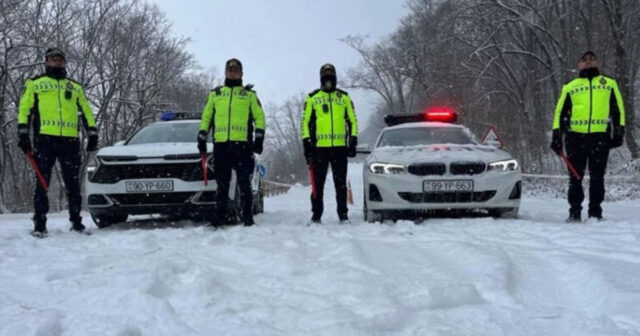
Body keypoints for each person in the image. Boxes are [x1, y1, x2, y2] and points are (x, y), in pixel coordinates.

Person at [17, 47, 99, 237]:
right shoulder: (36, 83)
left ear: (65, 62)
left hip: (70, 140)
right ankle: (39, 225)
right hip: (44, 139)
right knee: (42, 183)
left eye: (60, 59)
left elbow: (86, 111)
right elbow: (25, 109)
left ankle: (77, 223)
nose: (57, 61)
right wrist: (23, 133)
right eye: (53, 59)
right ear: (46, 62)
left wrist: (92, 132)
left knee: (73, 184)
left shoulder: (75, 86)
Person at [551, 51, 625, 222]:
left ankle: (595, 213)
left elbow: (618, 110)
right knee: (576, 176)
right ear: (579, 64)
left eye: (591, 59)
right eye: (584, 60)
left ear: (597, 62)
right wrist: (557, 137)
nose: (588, 62)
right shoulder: (570, 85)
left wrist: (619, 133)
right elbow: (559, 113)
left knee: (597, 177)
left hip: (600, 137)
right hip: (575, 138)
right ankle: (574, 212)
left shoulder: (609, 83)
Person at [198, 58, 265, 227]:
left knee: (244, 183)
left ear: (241, 73)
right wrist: (202, 135)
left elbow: (259, 117)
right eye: (230, 70)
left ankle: (248, 218)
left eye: (236, 70)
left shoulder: (249, 95)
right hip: (221, 146)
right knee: (222, 185)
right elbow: (207, 116)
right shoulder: (216, 94)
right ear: (225, 72)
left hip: (242, 146)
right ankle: (219, 218)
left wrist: (259, 137)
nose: (233, 73)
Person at [301, 63, 358, 224]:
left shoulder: (344, 97)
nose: (328, 78)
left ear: (335, 76)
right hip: (319, 149)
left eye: (330, 74)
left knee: (340, 184)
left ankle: (343, 215)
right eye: (325, 75)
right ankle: (316, 215)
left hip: (340, 148)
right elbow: (305, 123)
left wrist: (352, 141)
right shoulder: (313, 98)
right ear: (320, 77)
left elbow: (352, 121)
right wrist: (307, 144)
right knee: (317, 185)